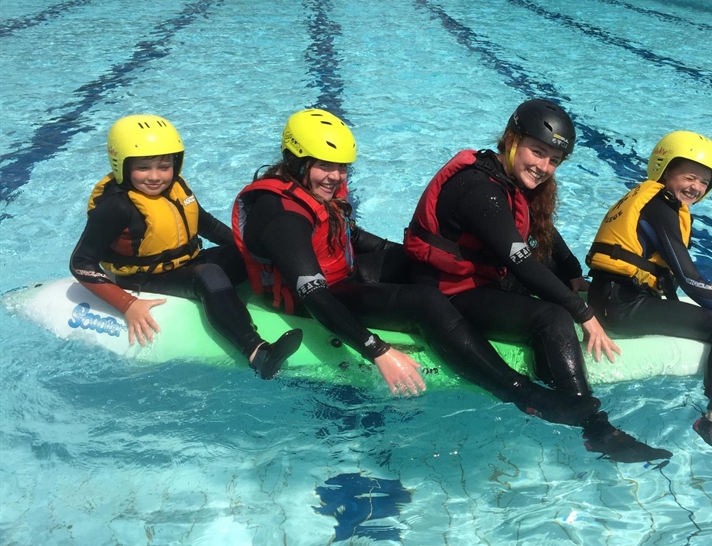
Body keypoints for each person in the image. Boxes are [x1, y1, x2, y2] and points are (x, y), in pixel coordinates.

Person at [232, 108, 595, 423]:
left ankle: (469, 323)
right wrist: (378, 351)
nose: (337, 177)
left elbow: (348, 236)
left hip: (341, 276)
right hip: (317, 299)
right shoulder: (281, 215)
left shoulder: (310, 189)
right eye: (326, 166)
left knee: (419, 270)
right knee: (426, 301)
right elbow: (313, 295)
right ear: (296, 160)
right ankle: (522, 393)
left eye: (342, 167)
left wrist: (408, 254)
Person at [404, 99, 672, 463]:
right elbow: (522, 262)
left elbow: (544, 231)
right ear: (512, 139)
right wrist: (583, 314)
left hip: (480, 281)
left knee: (552, 307)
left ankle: (572, 405)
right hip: (447, 293)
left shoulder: (510, 180)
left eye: (553, 161)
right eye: (537, 152)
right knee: (554, 317)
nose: (543, 167)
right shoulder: (480, 190)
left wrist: (572, 273)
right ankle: (595, 428)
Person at [586, 131, 712, 463]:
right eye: (690, 176)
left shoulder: (651, 202)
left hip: (612, 297)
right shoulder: (661, 207)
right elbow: (689, 279)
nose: (696, 187)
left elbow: (667, 271)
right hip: (622, 306)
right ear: (664, 170)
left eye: (705, 182)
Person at [70, 114, 302, 379]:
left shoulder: (176, 187)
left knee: (252, 249)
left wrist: (248, 251)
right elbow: (81, 262)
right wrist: (127, 304)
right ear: (121, 165)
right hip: (144, 279)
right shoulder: (115, 207)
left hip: (186, 263)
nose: (155, 176)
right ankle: (258, 352)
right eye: (143, 168)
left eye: (164, 166)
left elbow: (208, 226)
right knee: (209, 275)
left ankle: (300, 303)